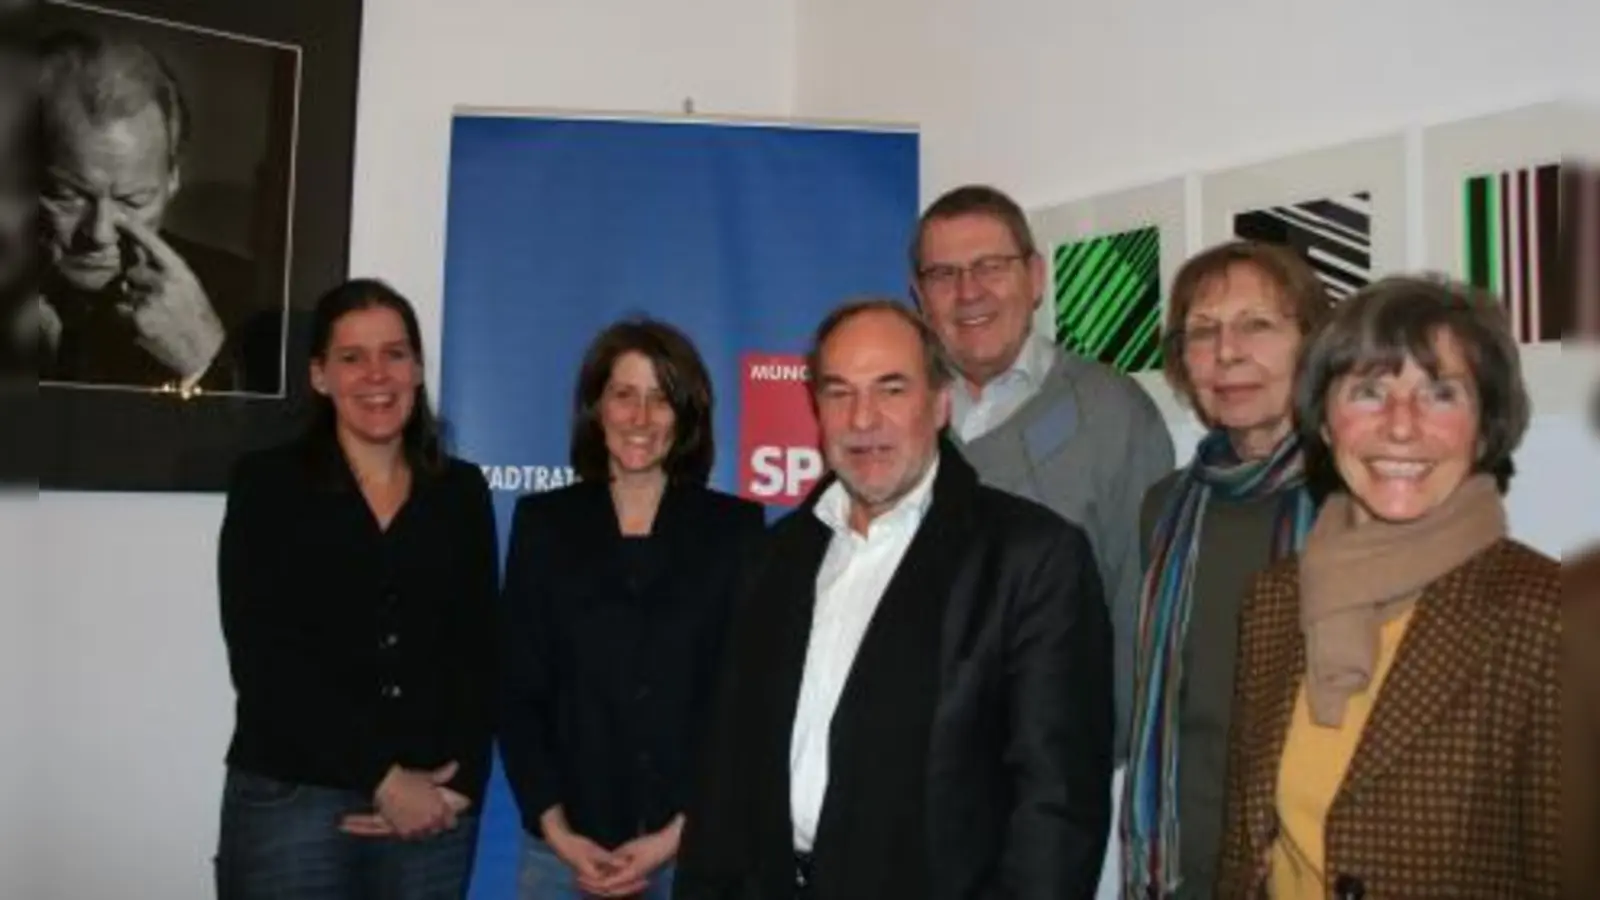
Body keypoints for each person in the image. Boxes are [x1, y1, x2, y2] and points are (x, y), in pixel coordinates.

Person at [674, 299, 1113, 900]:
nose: (863, 418)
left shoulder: (1031, 559)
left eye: (891, 388)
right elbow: (726, 771)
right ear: (816, 410)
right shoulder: (771, 559)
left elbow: (1057, 811)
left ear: (940, 404)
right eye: (839, 392)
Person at [1214, 275, 1559, 897]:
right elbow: (1244, 850)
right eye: (1369, 391)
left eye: (1441, 393)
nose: (1401, 426)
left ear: (1485, 428)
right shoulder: (1273, 600)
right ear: (1325, 423)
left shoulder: (1549, 615)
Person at [214, 278, 498, 899]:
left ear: (417, 369)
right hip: (294, 798)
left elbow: (480, 648)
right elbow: (263, 658)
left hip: (432, 807)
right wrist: (383, 779)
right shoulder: (267, 486)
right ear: (320, 376)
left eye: (394, 354)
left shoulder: (460, 491)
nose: (377, 375)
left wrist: (462, 783)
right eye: (352, 357)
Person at [500, 317, 766, 900]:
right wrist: (558, 831)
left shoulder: (734, 531)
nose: (640, 418)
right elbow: (518, 689)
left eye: (660, 398)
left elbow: (745, 701)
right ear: (597, 409)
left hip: (695, 853)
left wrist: (677, 834)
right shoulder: (544, 525)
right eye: (624, 395)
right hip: (563, 857)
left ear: (685, 416)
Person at [910, 184, 1174, 761]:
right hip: (916, 767)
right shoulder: (898, 417)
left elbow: (1142, 611)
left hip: (1058, 769)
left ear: (1035, 277)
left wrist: (1106, 764)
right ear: (920, 296)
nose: (969, 291)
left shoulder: (1114, 414)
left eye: (990, 266)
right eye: (943, 274)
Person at [1120, 241, 1332, 898]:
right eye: (1203, 331)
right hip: (1185, 860)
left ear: (1313, 344)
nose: (1228, 352)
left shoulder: (1358, 502)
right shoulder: (1166, 508)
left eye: (1257, 325)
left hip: (1315, 864)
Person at [35, 28, 269, 393]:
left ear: (172, 180)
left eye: (133, 200)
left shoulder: (248, 295)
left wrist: (206, 363)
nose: (100, 234)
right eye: (69, 195)